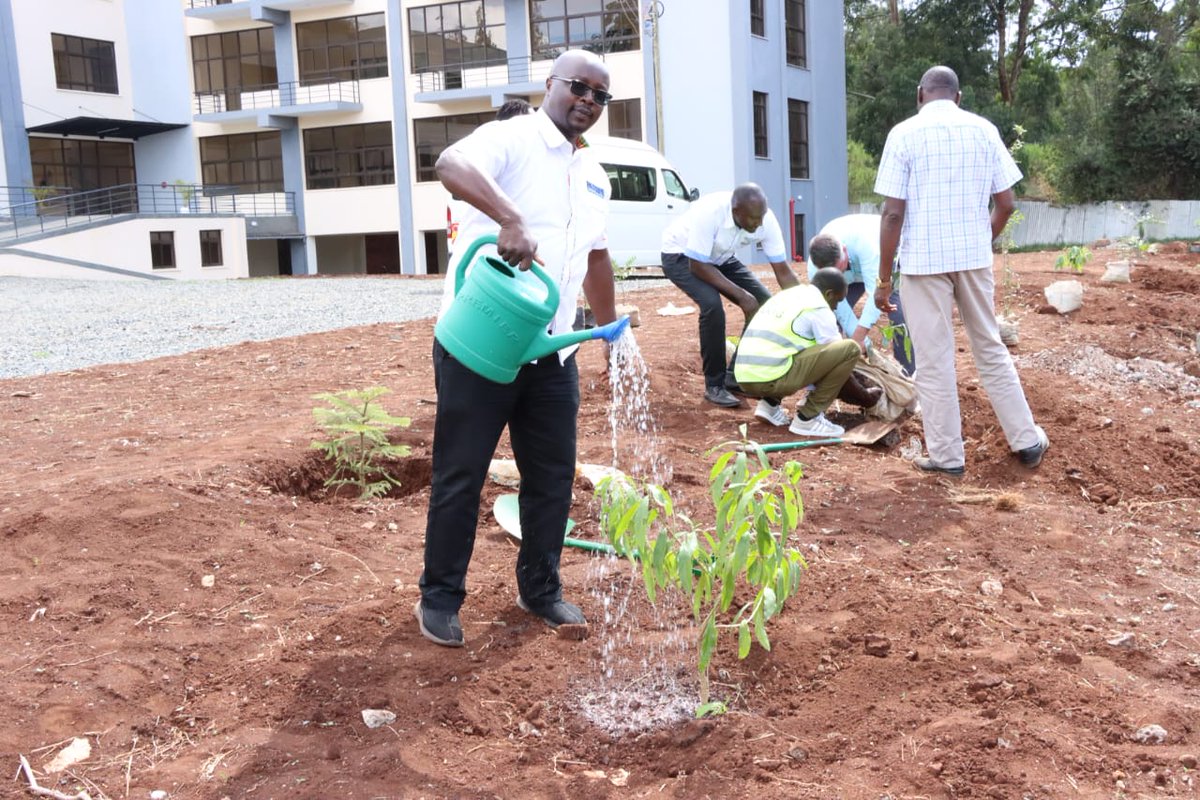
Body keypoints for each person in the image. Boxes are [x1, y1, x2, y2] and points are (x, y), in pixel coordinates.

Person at [417, 50, 619, 647]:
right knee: (462, 472)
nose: (588, 99)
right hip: (484, 341)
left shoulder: (594, 175)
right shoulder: (513, 137)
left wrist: (611, 336)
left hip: (552, 351)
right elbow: (450, 162)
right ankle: (440, 599)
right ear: (551, 85)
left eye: (600, 95)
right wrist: (509, 216)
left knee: (552, 476)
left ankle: (541, 588)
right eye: (579, 86)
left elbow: (598, 258)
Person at [873, 65, 1049, 476]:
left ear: (920, 95)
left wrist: (884, 279)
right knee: (990, 347)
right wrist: (980, 241)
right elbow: (1006, 204)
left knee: (933, 361)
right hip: (973, 260)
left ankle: (948, 458)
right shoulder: (984, 130)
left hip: (922, 265)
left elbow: (892, 214)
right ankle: (1027, 441)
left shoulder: (903, 135)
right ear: (959, 96)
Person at [660, 184, 800, 408]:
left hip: (719, 258)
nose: (759, 224)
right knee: (712, 305)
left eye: (761, 217)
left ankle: (733, 376)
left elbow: (783, 271)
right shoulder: (710, 212)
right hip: (681, 256)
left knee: (763, 303)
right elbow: (697, 265)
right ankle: (714, 385)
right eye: (753, 219)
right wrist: (742, 296)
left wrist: (804, 304)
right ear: (736, 211)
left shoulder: (765, 220)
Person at [733, 268, 880, 437]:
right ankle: (808, 418)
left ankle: (769, 405)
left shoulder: (787, 295)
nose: (836, 307)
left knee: (798, 346)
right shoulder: (819, 307)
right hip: (769, 378)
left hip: (745, 376)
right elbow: (837, 359)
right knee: (849, 349)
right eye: (837, 301)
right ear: (829, 294)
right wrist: (864, 397)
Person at [808, 214, 915, 376]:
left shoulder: (868, 246)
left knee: (899, 316)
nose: (837, 273)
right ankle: (836, 375)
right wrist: (861, 344)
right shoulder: (815, 271)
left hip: (880, 266)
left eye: (839, 267)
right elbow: (841, 310)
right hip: (852, 275)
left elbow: (877, 296)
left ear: (843, 250)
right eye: (832, 272)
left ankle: (906, 374)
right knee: (828, 316)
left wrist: (858, 337)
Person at [447, 99, 534, 246]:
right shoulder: (494, 144)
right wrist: (510, 220)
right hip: (489, 255)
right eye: (529, 123)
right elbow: (450, 165)